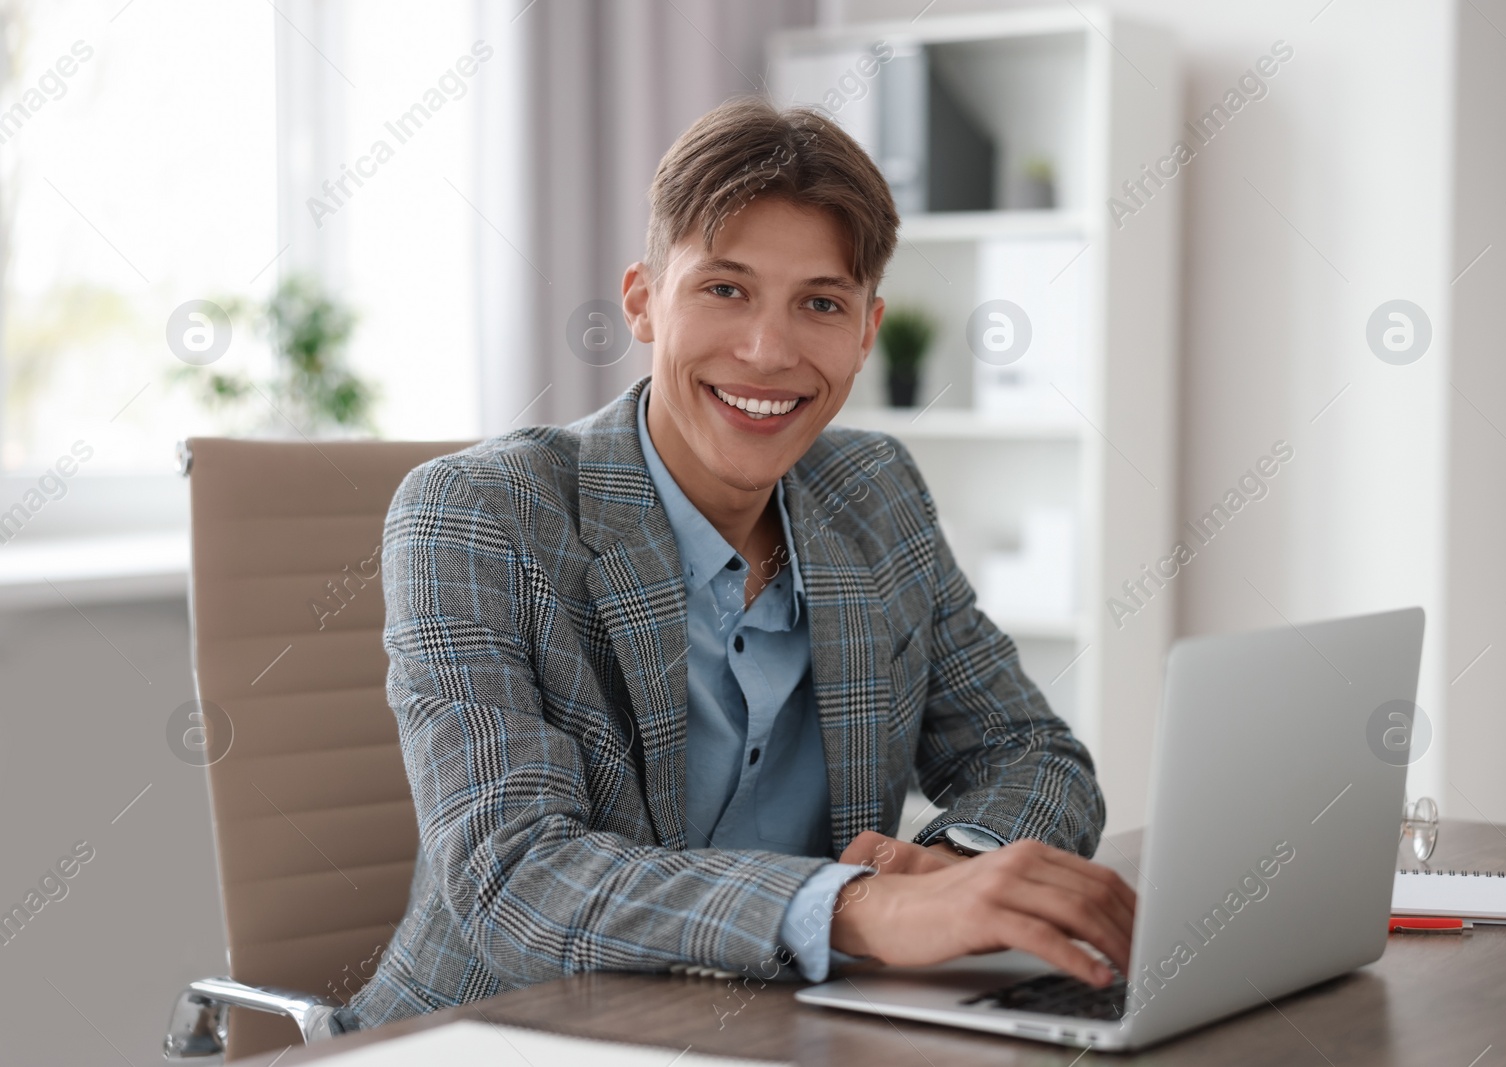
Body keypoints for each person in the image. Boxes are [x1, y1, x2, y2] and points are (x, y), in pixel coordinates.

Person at [349, 96, 1135, 1028]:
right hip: (507, 1032)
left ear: (867, 330)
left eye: (821, 303)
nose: (768, 352)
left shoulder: (875, 492)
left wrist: (956, 873)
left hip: (792, 1027)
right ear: (643, 300)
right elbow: (517, 878)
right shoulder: (478, 514)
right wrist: (858, 908)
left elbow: (1031, 751)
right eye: (725, 289)